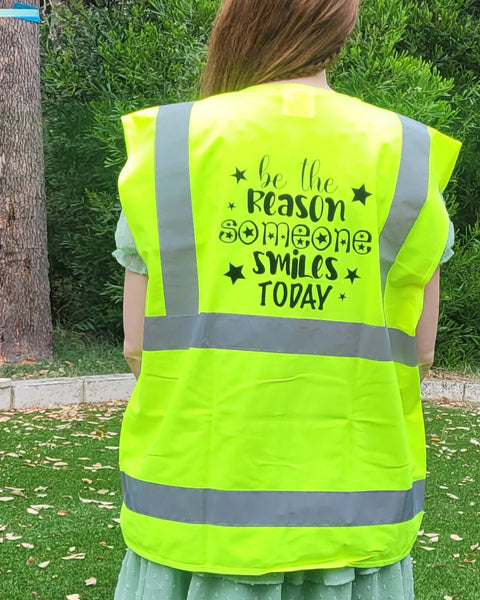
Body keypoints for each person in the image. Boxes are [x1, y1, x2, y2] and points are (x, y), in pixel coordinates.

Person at [112, 0, 461, 598]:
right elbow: (421, 350)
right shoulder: (406, 153)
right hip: (356, 526)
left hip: (194, 520)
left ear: (238, 20)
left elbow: (140, 346)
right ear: (342, 27)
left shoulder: (172, 145)